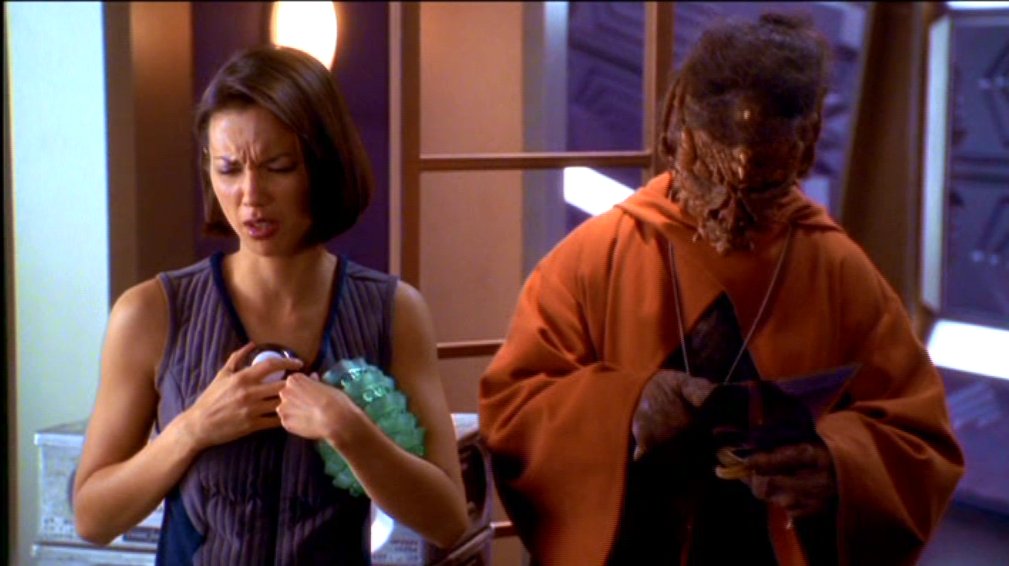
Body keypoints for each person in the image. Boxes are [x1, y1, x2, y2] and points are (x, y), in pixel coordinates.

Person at [479, 13, 963, 566]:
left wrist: (839, 464)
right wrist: (625, 405)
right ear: (676, 129)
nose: (731, 207)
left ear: (804, 149)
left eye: (761, 185)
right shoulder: (596, 256)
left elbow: (918, 438)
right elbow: (515, 410)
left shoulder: (838, 271)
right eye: (710, 174)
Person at [73, 45, 468, 564]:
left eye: (278, 167)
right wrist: (194, 428)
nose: (251, 196)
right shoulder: (152, 312)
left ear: (324, 165)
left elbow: (448, 521)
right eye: (229, 169)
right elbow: (93, 518)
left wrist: (349, 430)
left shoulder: (393, 311)